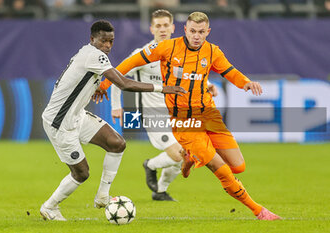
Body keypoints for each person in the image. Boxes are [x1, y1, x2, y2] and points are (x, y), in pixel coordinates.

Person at [97, 12, 281, 220]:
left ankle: (191, 157)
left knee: (238, 166)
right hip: (183, 121)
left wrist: (245, 82)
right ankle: (259, 211)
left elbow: (229, 71)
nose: (196, 36)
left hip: (210, 116)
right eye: (193, 31)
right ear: (185, 29)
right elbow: (129, 63)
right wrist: (104, 84)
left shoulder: (212, 51)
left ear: (207, 32)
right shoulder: (166, 47)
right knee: (221, 170)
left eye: (201, 32)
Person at [40, 20, 185, 221]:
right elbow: (124, 83)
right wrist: (162, 88)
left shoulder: (89, 54)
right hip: (60, 122)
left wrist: (97, 86)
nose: (107, 46)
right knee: (81, 173)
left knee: (116, 143)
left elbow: (86, 78)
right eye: (103, 41)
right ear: (92, 40)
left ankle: (102, 196)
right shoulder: (94, 55)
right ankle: (50, 207)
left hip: (77, 116)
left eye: (111, 41)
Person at [106, 9, 218, 202]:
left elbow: (190, 79)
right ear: (151, 29)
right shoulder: (142, 54)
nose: (163, 29)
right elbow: (117, 75)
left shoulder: (181, 54)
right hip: (154, 115)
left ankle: (160, 190)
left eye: (166, 25)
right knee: (178, 154)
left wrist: (207, 85)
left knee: (186, 156)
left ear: (173, 27)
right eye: (158, 26)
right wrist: (116, 106)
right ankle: (149, 165)